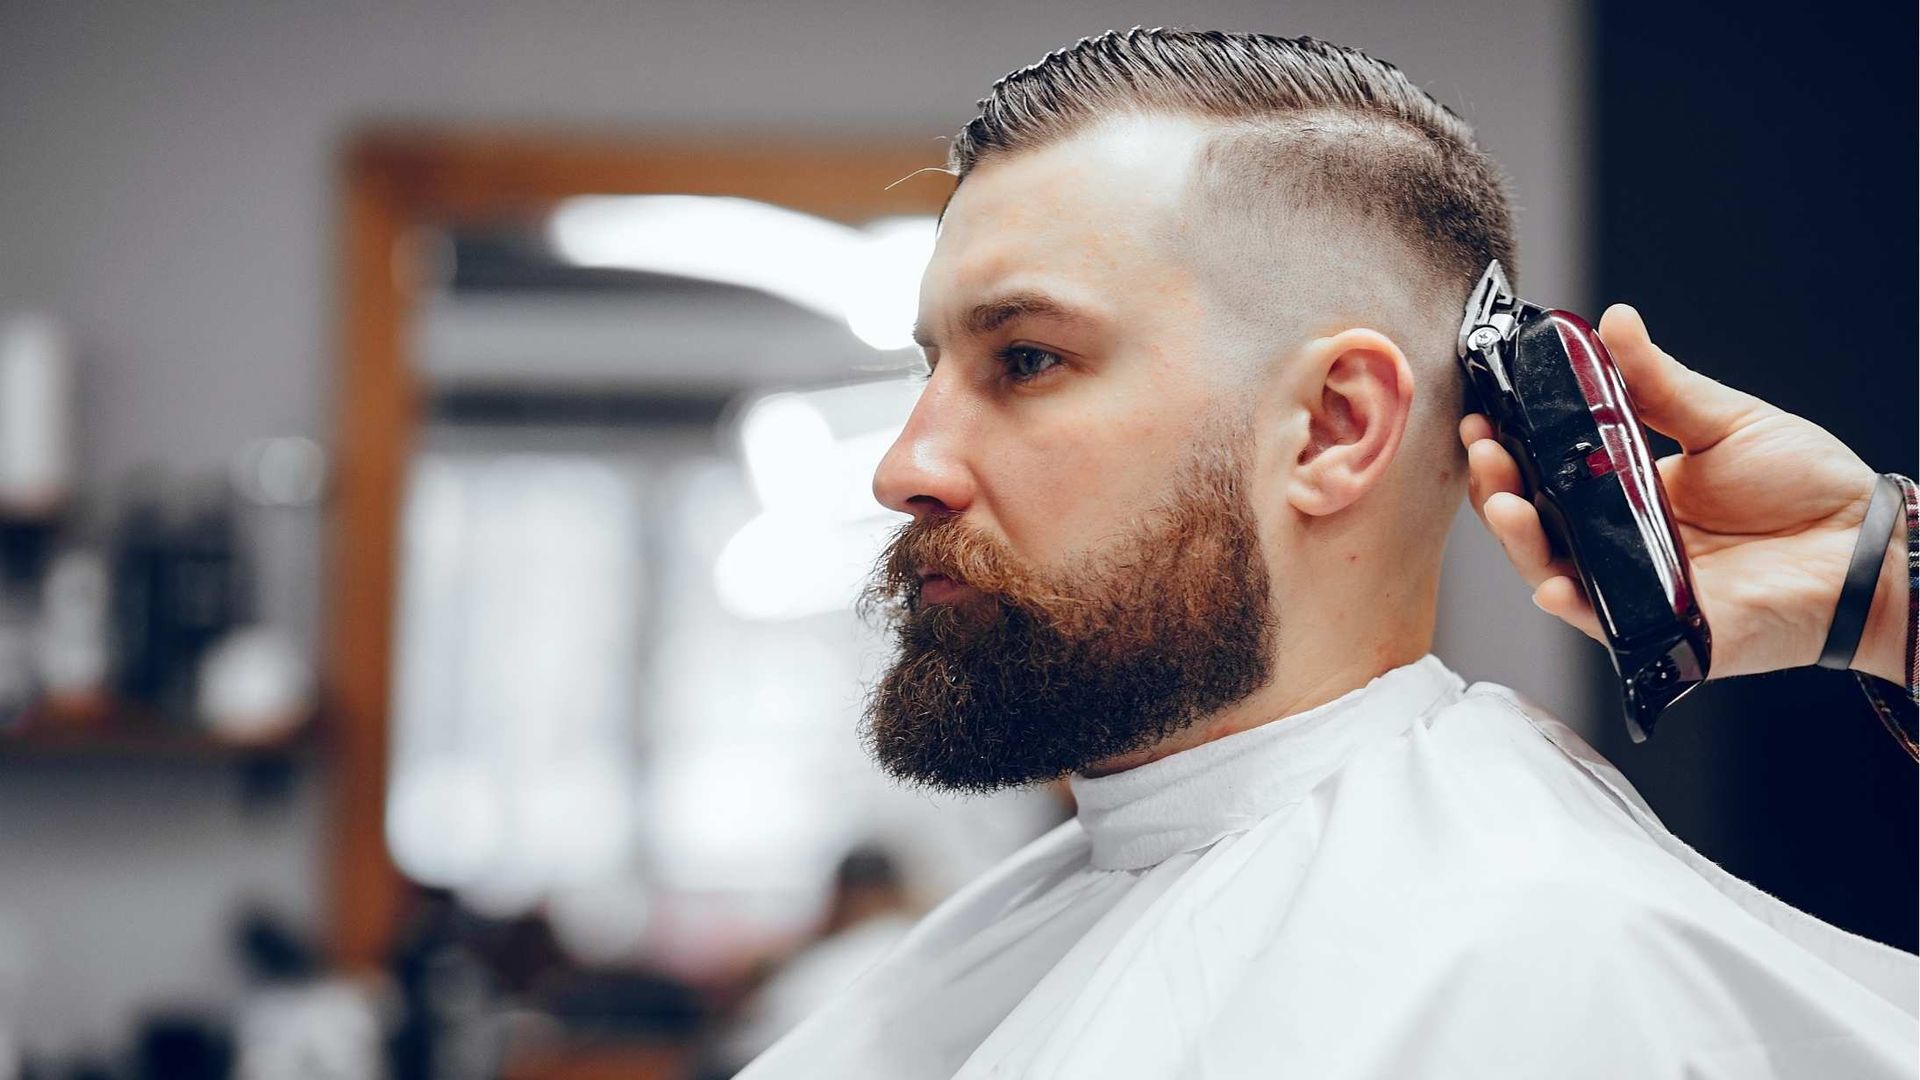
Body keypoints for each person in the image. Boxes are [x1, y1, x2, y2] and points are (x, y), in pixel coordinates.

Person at [738, 28, 1918, 1078]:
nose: (904, 467)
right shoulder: (1038, 919)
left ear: (1336, 427)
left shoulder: (1544, 952)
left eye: (1028, 360)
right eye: (928, 369)